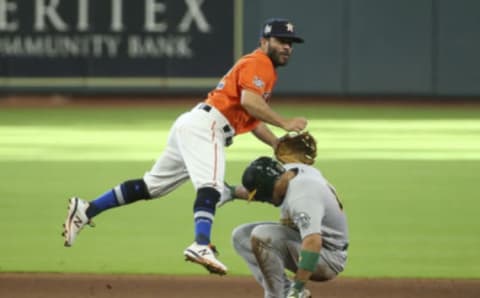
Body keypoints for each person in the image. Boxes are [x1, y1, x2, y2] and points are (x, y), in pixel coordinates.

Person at [62, 18, 308, 276]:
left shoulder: (262, 68)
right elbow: (249, 101)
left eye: (291, 43)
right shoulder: (260, 63)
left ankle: (88, 208)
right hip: (207, 127)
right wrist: (284, 122)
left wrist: (276, 142)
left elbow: (252, 117)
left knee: (151, 187)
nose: (287, 47)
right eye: (281, 41)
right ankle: (201, 244)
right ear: (264, 41)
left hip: (194, 124)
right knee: (211, 188)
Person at [225, 156, 349, 297]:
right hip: (310, 242)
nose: (267, 201)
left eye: (265, 196)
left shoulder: (302, 198)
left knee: (262, 236)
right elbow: (260, 191)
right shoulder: (288, 172)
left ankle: (280, 295)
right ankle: (284, 292)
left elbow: (313, 242)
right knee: (241, 236)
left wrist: (297, 289)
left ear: (271, 187)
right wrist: (232, 191)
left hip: (327, 257)